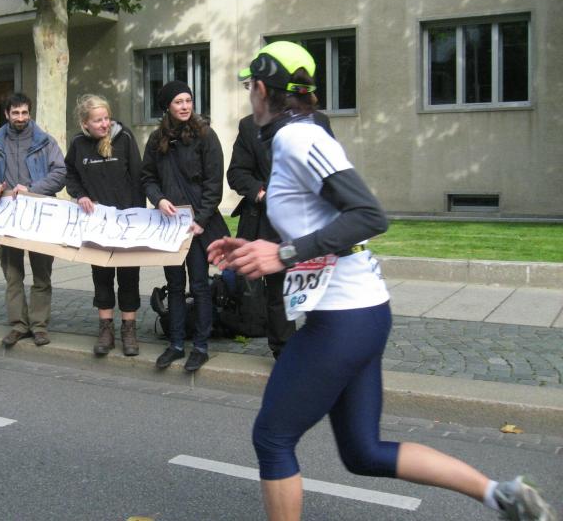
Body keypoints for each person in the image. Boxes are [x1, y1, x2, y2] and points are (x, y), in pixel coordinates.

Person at [208, 42, 557, 521]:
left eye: (250, 86)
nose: (249, 95)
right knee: (363, 452)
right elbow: (320, 226)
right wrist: (257, 249)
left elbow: (368, 216)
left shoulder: (298, 139)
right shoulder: (298, 136)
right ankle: (504, 495)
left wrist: (283, 253)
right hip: (358, 313)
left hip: (344, 319)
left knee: (272, 437)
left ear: (264, 90)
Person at [141, 80, 229, 373]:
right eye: (178, 102)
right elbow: (147, 177)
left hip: (197, 226)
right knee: (175, 285)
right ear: (167, 106)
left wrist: (201, 220)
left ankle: (200, 347)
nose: (185, 106)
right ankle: (176, 344)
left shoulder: (206, 135)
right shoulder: (157, 139)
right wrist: (159, 199)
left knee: (200, 285)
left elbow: (214, 183)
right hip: (170, 224)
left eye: (188, 101)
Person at [0, 92, 66, 348]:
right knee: (12, 274)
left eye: (24, 112)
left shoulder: (45, 141)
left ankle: (39, 326)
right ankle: (18, 325)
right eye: (15, 113)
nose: (20, 117)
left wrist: (33, 189)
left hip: (40, 215)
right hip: (8, 216)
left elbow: (60, 173)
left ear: (30, 113)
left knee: (42, 274)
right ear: (7, 114)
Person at [65, 94, 145, 356]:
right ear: (85, 123)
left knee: (129, 276)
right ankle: (106, 330)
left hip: (126, 221)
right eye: (98, 120)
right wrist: (80, 195)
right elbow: (70, 174)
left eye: (106, 118)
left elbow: (138, 178)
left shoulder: (125, 138)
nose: (104, 124)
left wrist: (137, 217)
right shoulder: (78, 144)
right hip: (97, 223)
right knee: (101, 275)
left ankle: (129, 331)